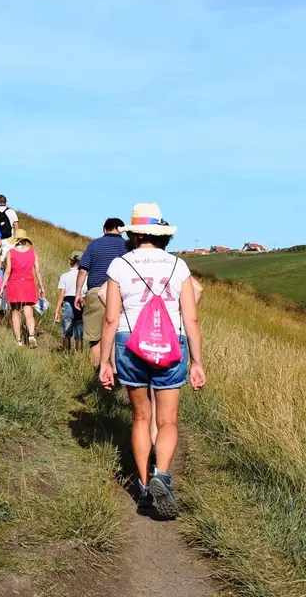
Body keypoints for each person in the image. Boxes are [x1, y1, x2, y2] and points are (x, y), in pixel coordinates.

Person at [97, 203, 205, 520]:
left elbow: (109, 318)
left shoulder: (120, 265)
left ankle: (144, 489)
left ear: (134, 233)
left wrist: (105, 361)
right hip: (171, 344)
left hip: (129, 344)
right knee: (168, 421)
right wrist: (197, 362)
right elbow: (192, 317)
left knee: (141, 418)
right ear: (159, 233)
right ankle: (163, 474)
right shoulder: (178, 266)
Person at [76, 218, 127, 368]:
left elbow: (83, 270)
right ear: (122, 230)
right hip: (121, 294)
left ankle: (99, 374)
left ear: (104, 229)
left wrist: (78, 293)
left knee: (95, 337)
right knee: (117, 336)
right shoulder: (128, 246)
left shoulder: (94, 244)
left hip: (96, 292)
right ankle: (116, 374)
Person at [1, 232, 45, 347]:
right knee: (28, 310)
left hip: (14, 283)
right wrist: (41, 286)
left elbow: (8, 271)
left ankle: (18, 340)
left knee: (15, 311)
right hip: (28, 283)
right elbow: (37, 271)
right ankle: (31, 335)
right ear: (25, 239)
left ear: (15, 240)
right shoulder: (32, 251)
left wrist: (2, 286)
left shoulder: (10, 253)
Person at [54, 251, 84, 352]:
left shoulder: (64, 276)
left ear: (70, 261)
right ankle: (79, 357)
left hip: (68, 303)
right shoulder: (85, 276)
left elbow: (61, 295)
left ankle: (66, 355)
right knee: (79, 334)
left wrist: (57, 311)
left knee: (66, 333)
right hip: (81, 304)